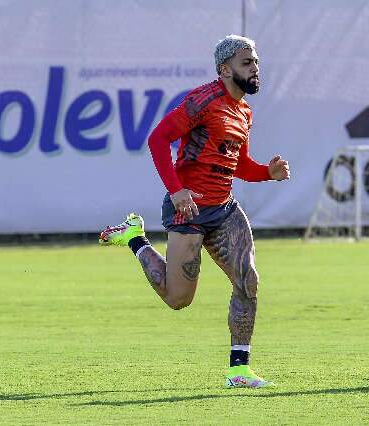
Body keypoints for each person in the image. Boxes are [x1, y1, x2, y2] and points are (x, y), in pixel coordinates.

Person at [99, 35, 290, 388]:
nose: (255, 68)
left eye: (256, 61)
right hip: (187, 210)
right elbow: (158, 139)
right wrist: (176, 191)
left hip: (223, 209)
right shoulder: (203, 100)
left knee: (248, 280)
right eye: (247, 62)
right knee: (178, 300)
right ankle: (135, 239)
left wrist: (267, 173)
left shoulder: (245, 111)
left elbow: (240, 165)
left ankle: (239, 370)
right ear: (225, 69)